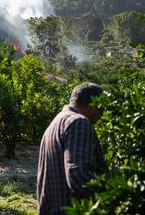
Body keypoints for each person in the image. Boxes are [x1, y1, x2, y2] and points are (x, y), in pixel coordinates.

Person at [37, 82, 108, 215]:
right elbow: (78, 176)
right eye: (102, 108)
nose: (102, 114)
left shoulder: (57, 122)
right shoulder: (79, 122)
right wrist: (117, 191)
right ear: (94, 105)